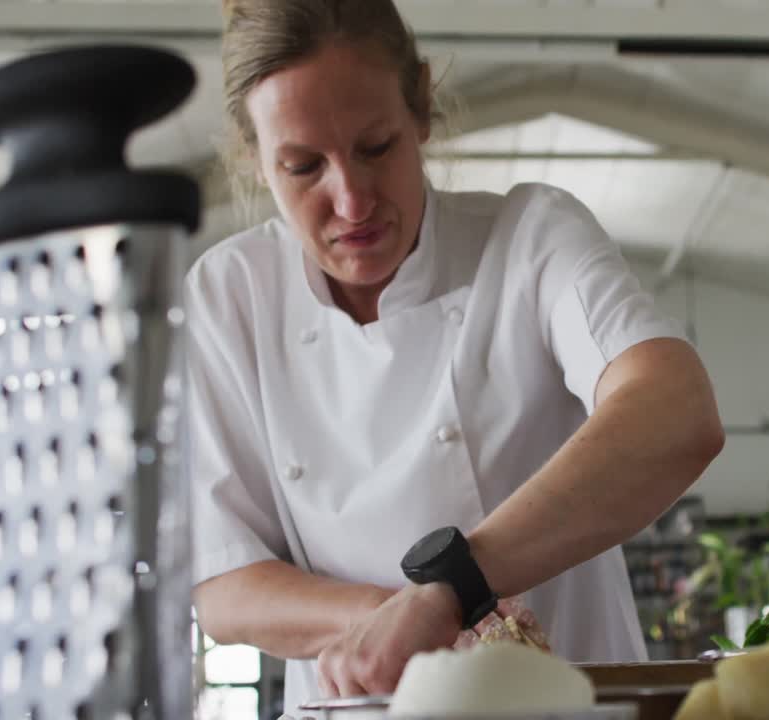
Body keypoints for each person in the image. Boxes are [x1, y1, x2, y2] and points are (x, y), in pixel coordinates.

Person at [185, 0, 724, 710]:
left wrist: (452, 587)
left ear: (421, 107)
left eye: (375, 147)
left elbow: (676, 411)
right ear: (254, 160)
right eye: (304, 166)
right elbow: (223, 587)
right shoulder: (230, 295)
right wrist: (393, 618)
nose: (351, 201)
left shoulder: (530, 237)